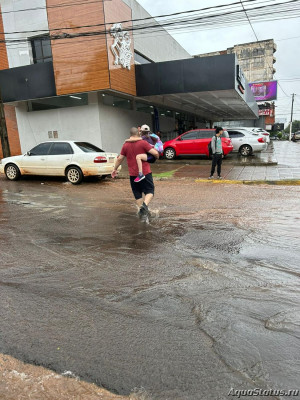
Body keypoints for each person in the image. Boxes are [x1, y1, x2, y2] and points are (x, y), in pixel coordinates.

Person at [111, 127, 159, 219]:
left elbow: (120, 158)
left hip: (133, 175)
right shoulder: (143, 143)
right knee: (150, 191)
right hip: (145, 173)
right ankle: (144, 207)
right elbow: (155, 153)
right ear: (139, 134)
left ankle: (143, 212)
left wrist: (114, 169)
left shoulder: (125, 145)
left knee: (137, 194)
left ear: (130, 134)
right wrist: (156, 156)